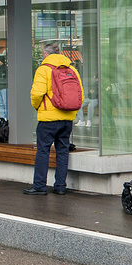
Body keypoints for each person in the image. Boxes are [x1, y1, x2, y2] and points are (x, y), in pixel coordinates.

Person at [24, 43, 83, 195]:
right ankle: (60, 187)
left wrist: (38, 107)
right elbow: (80, 94)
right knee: (63, 151)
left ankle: (39, 186)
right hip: (67, 119)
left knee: (43, 151)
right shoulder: (72, 69)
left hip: (48, 119)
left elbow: (37, 93)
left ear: (45, 55)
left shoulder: (44, 69)